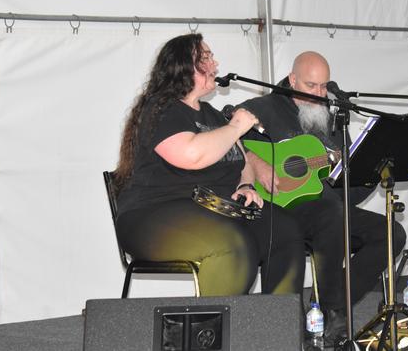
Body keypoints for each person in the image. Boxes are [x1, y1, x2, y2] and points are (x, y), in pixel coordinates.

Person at [113, 33, 305, 297]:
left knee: (284, 231)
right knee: (233, 245)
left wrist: (246, 184)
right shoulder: (161, 110)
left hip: (213, 208)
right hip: (154, 213)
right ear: (182, 67)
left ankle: (276, 329)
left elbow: (243, 159)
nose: (215, 63)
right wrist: (237, 126)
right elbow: (191, 155)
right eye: (205, 57)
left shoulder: (212, 115)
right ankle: (212, 332)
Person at [239, 51, 407, 345]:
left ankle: (327, 304)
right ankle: (332, 312)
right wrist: (254, 161)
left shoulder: (331, 116)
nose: (319, 94)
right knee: (332, 212)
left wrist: (362, 170)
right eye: (310, 86)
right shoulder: (263, 107)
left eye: (323, 86)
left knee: (391, 232)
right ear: (292, 80)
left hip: (327, 206)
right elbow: (225, 134)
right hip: (281, 208)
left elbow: (342, 187)